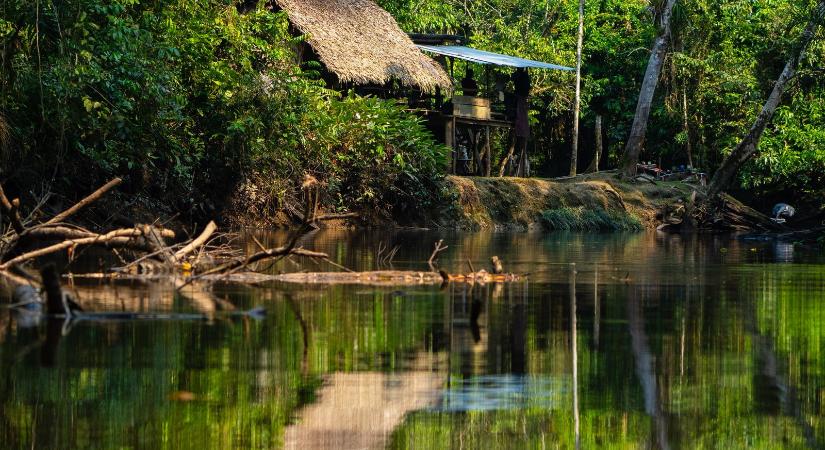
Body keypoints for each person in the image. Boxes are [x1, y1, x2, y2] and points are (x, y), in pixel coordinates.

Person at [511, 68, 531, 176]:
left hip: (521, 97)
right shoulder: (520, 76)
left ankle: (520, 170)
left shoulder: (523, 77)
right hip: (520, 97)